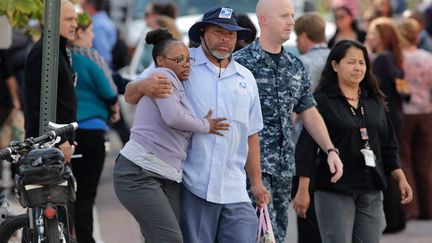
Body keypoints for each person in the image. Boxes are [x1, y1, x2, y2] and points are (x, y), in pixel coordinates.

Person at [124, 7, 270, 242]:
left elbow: (251, 134)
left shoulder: (246, 78)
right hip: (194, 186)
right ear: (202, 33)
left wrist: (256, 182)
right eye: (218, 31)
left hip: (235, 190)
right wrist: (143, 86)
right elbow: (131, 94)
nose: (225, 38)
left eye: (231, 34)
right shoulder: (182, 62)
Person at [234, 0, 343, 242]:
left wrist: (330, 149)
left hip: (284, 167)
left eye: (292, 15)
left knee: (277, 233)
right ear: (264, 20)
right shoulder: (240, 64)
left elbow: (308, 111)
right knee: (260, 232)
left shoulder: (295, 65)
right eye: (284, 16)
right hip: (249, 167)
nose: (291, 21)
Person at [113, 27, 230, 243]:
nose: (186, 64)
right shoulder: (163, 76)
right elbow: (173, 117)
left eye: (187, 59)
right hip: (140, 173)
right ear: (161, 60)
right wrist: (206, 124)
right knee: (170, 239)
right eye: (179, 60)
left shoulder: (177, 79)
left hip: (165, 175)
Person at [293, 39, 413, 243]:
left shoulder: (373, 100)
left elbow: (388, 144)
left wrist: (401, 178)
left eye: (362, 62)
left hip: (371, 186)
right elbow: (307, 146)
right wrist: (302, 189)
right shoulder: (322, 101)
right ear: (335, 65)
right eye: (351, 62)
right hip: (335, 188)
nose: (358, 67)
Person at [69, 12, 120, 243]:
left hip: (64, 133)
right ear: (78, 32)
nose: (92, 37)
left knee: (65, 191)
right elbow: (109, 90)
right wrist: (114, 109)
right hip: (91, 132)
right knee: (85, 195)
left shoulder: (62, 56)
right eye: (89, 32)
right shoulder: (90, 56)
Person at [24, 0, 77, 163]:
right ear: (52, 20)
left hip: (57, 144)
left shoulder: (58, 50)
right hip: (46, 148)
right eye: (69, 19)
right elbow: (39, 103)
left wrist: (68, 139)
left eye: (75, 19)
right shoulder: (44, 52)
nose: (74, 25)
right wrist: (60, 140)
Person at [397, 18, 432, 220]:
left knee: (405, 159)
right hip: (426, 111)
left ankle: (411, 207)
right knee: (425, 161)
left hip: (405, 112)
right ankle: (428, 207)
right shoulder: (428, 57)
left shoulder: (398, 58)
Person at [295, 12, 331, 86]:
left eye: (297, 36)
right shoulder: (338, 57)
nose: (296, 41)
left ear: (303, 37)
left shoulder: (301, 63)